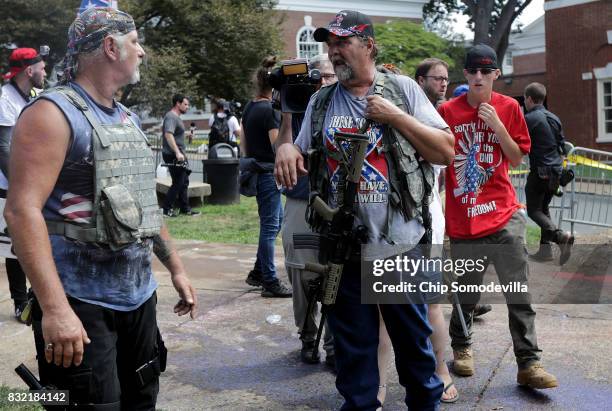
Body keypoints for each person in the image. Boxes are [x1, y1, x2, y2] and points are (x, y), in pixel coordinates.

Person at [4, 8, 197, 408]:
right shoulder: (51, 115)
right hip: (80, 304)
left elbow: (145, 203)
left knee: (142, 398)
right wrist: (55, 311)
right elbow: (22, 213)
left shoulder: (125, 118)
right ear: (110, 47)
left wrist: (175, 268)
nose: (142, 52)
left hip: (138, 297)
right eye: (135, 42)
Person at [275, 10, 454, 409]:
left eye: (343, 42)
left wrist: (395, 116)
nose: (334, 52)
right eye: (330, 44)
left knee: (415, 358)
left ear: (368, 46)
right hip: (343, 254)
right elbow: (296, 150)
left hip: (399, 251)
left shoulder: (403, 89)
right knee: (354, 367)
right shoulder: (322, 102)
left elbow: (445, 151)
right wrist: (287, 146)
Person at [438, 44, 558, 389]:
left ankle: (529, 362)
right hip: (464, 220)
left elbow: (516, 157)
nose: (478, 77)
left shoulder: (509, 108)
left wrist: (495, 124)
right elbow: (437, 158)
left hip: (504, 214)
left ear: (495, 75)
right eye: (472, 71)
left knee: (518, 292)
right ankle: (462, 348)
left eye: (485, 72)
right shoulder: (447, 111)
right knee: (466, 293)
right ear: (466, 74)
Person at [278, 54, 337, 367]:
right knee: (301, 272)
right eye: (317, 77)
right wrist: (288, 112)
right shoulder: (298, 105)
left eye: (329, 76)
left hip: (338, 205)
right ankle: (308, 335)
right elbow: (282, 154)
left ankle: (333, 342)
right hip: (302, 202)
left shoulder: (346, 106)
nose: (322, 83)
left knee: (336, 272)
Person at [0, 47, 46, 323]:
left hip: (36, 182)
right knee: (14, 244)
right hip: (10, 184)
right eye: (42, 67)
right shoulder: (5, 99)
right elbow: (3, 147)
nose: (45, 72)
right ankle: (20, 302)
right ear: (29, 71)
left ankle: (36, 296)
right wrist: (21, 184)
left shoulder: (36, 96)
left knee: (37, 238)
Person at [242, 56, 292, 298]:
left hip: (257, 171)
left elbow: (243, 145)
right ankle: (270, 281)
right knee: (270, 228)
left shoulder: (250, 107)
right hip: (269, 174)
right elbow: (278, 147)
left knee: (273, 223)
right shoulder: (269, 110)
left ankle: (258, 271)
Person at [523, 82, 574, 264]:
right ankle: (545, 253)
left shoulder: (530, 119)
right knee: (544, 209)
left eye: (525, 100)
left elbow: (519, 142)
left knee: (534, 211)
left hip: (540, 172)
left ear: (529, 99)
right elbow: (562, 145)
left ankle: (561, 237)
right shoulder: (555, 117)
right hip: (557, 171)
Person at [161, 93, 200, 217]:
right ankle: (166, 210)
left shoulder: (177, 117)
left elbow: (175, 134)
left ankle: (185, 208)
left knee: (184, 182)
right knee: (178, 182)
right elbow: (168, 134)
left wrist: (187, 135)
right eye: (185, 104)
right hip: (174, 155)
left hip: (179, 154)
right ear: (178, 103)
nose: (187, 107)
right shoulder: (171, 116)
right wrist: (177, 152)